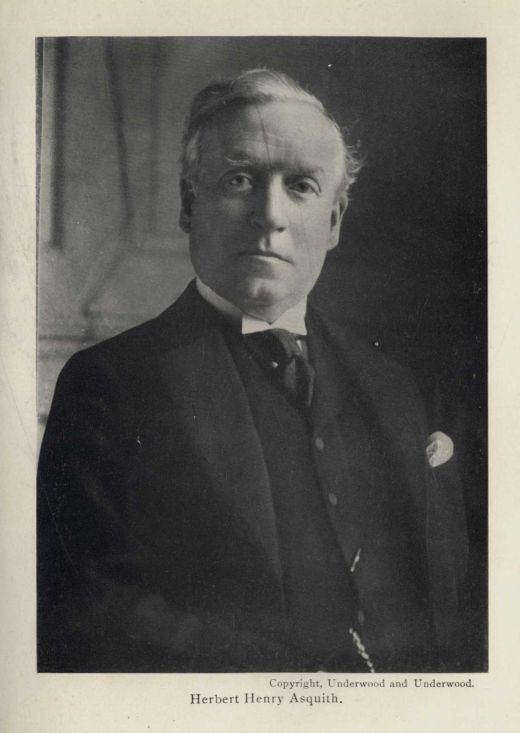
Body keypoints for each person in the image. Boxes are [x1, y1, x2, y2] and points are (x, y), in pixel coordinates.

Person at [37, 69, 469, 673]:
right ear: (189, 205)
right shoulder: (108, 384)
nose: (270, 214)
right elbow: (87, 611)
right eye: (239, 180)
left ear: (335, 221)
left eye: (302, 186)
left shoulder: (395, 387)